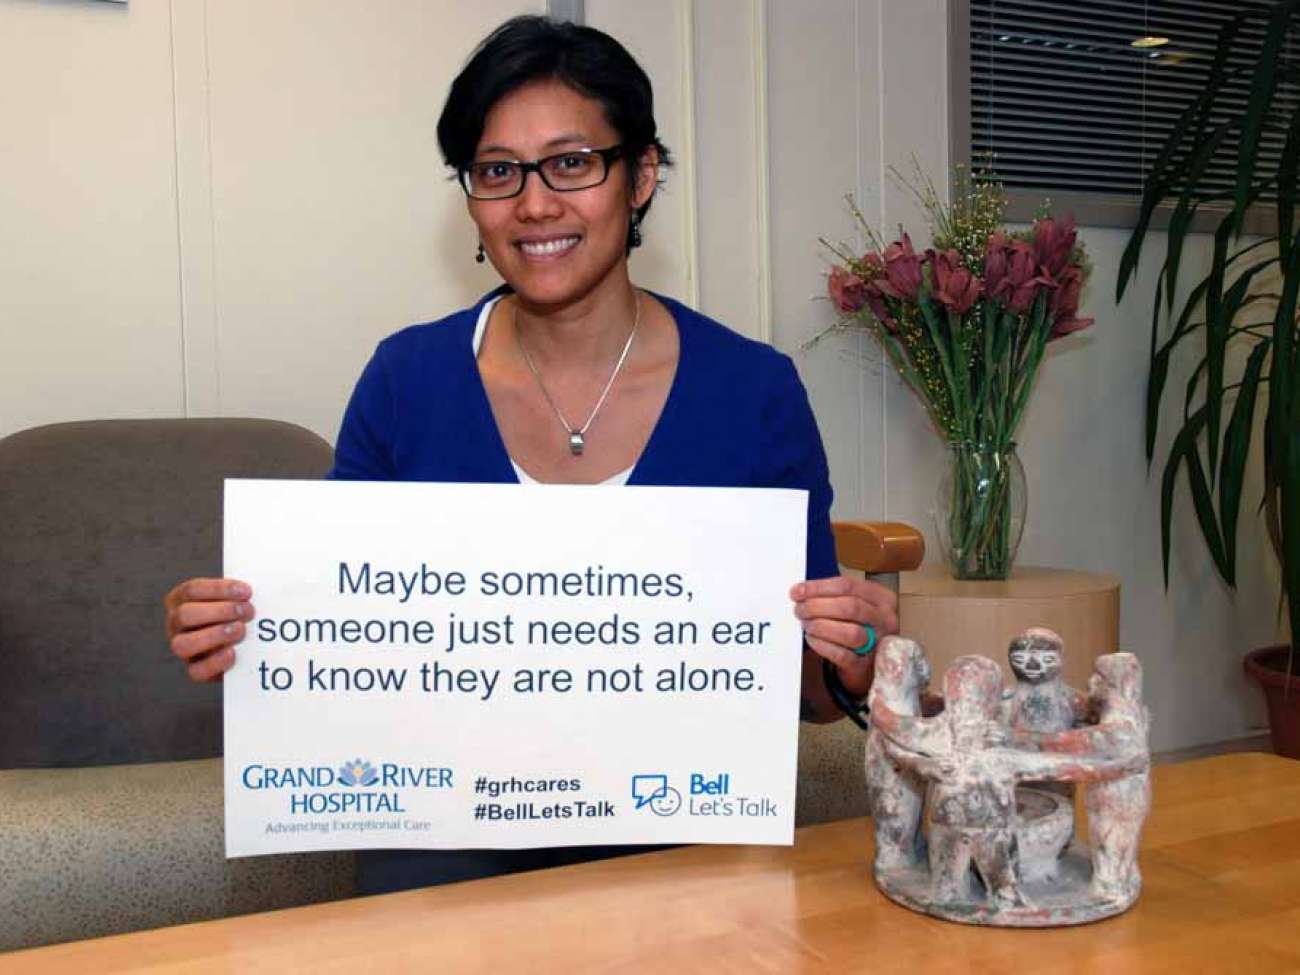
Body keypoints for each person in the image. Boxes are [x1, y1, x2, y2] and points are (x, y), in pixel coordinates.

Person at [161, 15, 897, 894]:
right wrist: (243, 627)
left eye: (572, 162)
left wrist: (851, 656)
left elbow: (804, 691)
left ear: (642, 175)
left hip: (683, 860)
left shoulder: (754, 391)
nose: (535, 203)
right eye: (498, 171)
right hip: (440, 858)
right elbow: (334, 631)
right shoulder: (409, 377)